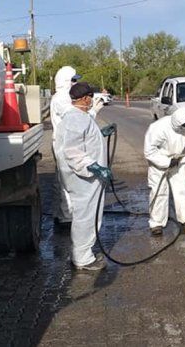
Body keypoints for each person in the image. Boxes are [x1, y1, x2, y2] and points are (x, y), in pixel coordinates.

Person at [57, 82, 112, 271]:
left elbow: (84, 141)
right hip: (83, 179)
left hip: (85, 178)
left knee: (88, 214)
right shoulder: (76, 119)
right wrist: (94, 166)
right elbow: (73, 151)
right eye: (91, 98)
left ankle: (83, 253)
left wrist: (100, 134)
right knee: (86, 216)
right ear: (86, 98)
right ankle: (83, 258)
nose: (91, 102)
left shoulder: (79, 116)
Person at [50, 67, 105, 225]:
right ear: (66, 81)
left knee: (61, 180)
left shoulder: (64, 97)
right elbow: (76, 119)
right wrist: (93, 111)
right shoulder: (61, 98)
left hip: (68, 142)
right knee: (68, 180)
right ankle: (67, 217)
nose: (77, 83)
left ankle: (61, 213)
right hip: (66, 144)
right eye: (74, 80)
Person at [144, 108, 185, 236]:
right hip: (159, 163)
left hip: (179, 158)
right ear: (178, 125)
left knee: (183, 189)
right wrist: (166, 162)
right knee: (159, 192)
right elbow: (149, 151)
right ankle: (156, 223)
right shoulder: (157, 128)